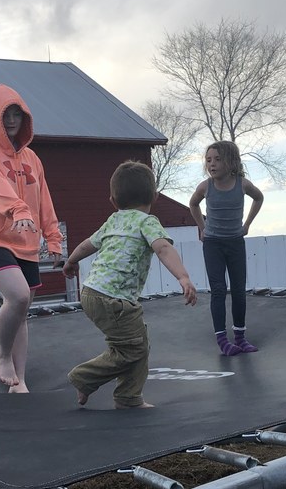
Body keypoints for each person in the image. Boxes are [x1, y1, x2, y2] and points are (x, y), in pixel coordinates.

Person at [62, 161, 197, 408]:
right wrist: (183, 276)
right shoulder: (147, 222)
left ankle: (128, 397)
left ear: (113, 200)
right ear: (154, 197)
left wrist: (71, 262)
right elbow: (163, 248)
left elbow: (86, 245)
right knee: (133, 350)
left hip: (90, 293)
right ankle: (84, 377)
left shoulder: (113, 221)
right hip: (114, 298)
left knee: (137, 343)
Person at [0, 84, 63, 393]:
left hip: (25, 241)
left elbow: (43, 199)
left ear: (25, 118)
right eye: (5, 114)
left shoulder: (32, 158)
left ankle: (19, 382)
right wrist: (18, 208)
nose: (10, 120)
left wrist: (53, 236)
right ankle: (2, 355)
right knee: (18, 296)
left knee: (21, 312)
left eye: (16, 114)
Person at [188, 141, 264, 356]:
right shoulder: (205, 187)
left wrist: (247, 225)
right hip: (213, 243)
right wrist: (202, 227)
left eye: (217, 159)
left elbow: (259, 198)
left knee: (239, 290)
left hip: (235, 242)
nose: (212, 164)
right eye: (208, 160)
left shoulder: (242, 184)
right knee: (219, 289)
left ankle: (240, 337)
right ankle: (222, 339)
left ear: (231, 162)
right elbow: (193, 204)